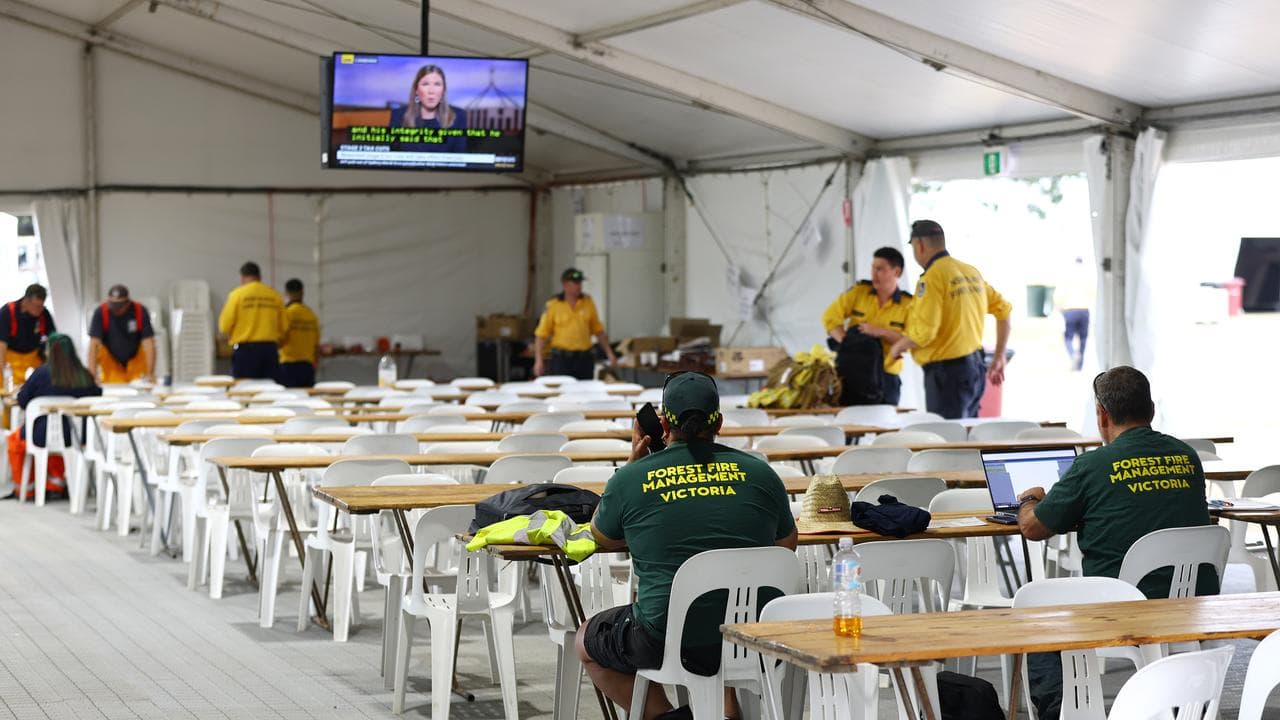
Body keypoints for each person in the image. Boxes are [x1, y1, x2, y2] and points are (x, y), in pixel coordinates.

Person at [576, 371, 798, 720]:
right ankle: (726, 709)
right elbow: (786, 546)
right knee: (723, 604)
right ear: (719, 423)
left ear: (663, 425)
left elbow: (602, 535)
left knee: (584, 640)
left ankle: (669, 716)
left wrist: (634, 463)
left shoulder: (631, 479)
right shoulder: (761, 474)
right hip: (753, 635)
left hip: (665, 639)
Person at [1016, 365, 1216, 719]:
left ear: (1102, 415)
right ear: (1151, 410)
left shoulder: (1092, 466)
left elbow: (1032, 528)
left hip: (1120, 609)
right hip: (1191, 604)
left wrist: (1030, 500)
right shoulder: (1188, 457)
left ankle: (1061, 713)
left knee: (1040, 615)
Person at [888, 220, 1012, 419]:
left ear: (919, 245)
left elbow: (925, 333)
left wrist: (898, 347)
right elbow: (1004, 311)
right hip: (974, 369)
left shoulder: (932, 278)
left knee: (946, 435)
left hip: (947, 376)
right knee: (967, 433)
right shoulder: (970, 272)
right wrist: (999, 356)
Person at [8, 334, 101, 499]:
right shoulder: (85, 375)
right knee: (61, 443)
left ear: (49, 351)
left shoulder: (41, 373)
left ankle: (26, 489)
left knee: (15, 439)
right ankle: (56, 484)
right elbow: (97, 398)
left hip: (41, 435)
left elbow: (22, 400)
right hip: (78, 436)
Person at [821, 246, 913, 405]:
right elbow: (830, 317)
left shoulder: (909, 305)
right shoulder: (859, 292)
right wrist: (849, 344)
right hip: (852, 374)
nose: (873, 274)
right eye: (873, 268)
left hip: (886, 377)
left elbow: (913, 340)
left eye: (880, 269)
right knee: (848, 418)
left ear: (897, 272)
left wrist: (881, 332)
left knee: (885, 420)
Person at [533, 267, 617, 380]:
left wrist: (609, 353)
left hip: (584, 359)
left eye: (580, 283)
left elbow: (598, 331)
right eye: (576, 283)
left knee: (585, 389)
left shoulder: (588, 302)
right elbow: (541, 335)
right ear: (565, 285)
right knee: (563, 389)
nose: (579, 286)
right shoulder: (553, 305)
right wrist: (539, 360)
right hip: (561, 359)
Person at [218, 262, 286, 380]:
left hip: (245, 352)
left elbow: (224, 326)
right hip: (270, 350)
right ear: (259, 277)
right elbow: (284, 326)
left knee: (244, 388)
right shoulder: (274, 296)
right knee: (270, 387)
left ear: (242, 278)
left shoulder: (237, 295)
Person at [389, 64, 468, 154]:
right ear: (416, 90)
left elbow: (460, 156)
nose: (431, 91)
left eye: (437, 84)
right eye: (425, 84)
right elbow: (391, 155)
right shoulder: (398, 115)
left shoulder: (458, 116)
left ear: (443, 90)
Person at [87, 285, 155, 384]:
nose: (116, 310)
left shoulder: (139, 311)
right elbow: (94, 346)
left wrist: (150, 373)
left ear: (128, 303)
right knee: (114, 389)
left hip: (136, 362)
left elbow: (149, 344)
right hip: (112, 364)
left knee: (140, 386)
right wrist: (92, 376)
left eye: (119, 307)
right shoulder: (101, 312)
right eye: (113, 306)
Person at [0, 284, 56, 385]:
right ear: (26, 300)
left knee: (44, 382)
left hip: (33, 358)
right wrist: (4, 373)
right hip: (11, 359)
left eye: (42, 306)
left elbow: (54, 339)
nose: (40, 309)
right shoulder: (7, 312)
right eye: (37, 306)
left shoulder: (44, 314)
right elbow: (1, 346)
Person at [277, 278, 320, 388]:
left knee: (288, 397)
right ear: (302, 293)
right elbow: (316, 346)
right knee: (306, 397)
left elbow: (280, 339)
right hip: (307, 367)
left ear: (286, 294)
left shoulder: (286, 313)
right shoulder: (311, 315)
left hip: (288, 366)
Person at [1056, 257, 1093, 371]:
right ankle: (1080, 365)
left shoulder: (1067, 276)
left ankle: (1073, 354)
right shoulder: (1088, 276)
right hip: (1084, 310)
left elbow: (1058, 295)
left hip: (1070, 310)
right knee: (1083, 338)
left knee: (1068, 337)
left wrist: (1059, 307)